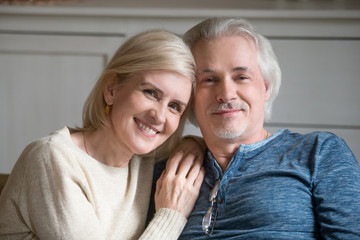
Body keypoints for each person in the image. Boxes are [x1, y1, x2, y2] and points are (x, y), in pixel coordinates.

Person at [152, 17, 360, 239]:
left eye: (242, 77)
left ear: (266, 87)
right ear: (189, 96)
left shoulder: (319, 153)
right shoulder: (167, 174)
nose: (226, 94)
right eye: (209, 79)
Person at [0, 29, 205, 240]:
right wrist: (171, 216)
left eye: (174, 106)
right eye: (150, 93)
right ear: (111, 89)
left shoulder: (143, 160)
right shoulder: (52, 158)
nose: (159, 116)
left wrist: (192, 144)